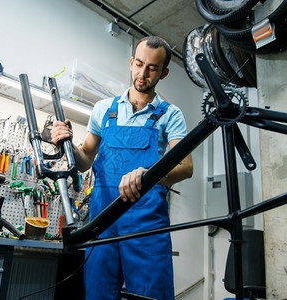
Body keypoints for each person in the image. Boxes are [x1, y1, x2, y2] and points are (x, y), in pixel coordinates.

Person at [51, 36, 193, 300]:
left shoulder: (170, 114)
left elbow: (185, 167)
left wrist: (149, 175)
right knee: (98, 294)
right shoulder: (103, 109)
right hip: (102, 221)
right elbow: (85, 160)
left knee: (152, 295)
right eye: (139, 64)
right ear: (131, 62)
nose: (143, 73)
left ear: (164, 72)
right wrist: (68, 142)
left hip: (146, 225)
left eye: (152, 68)